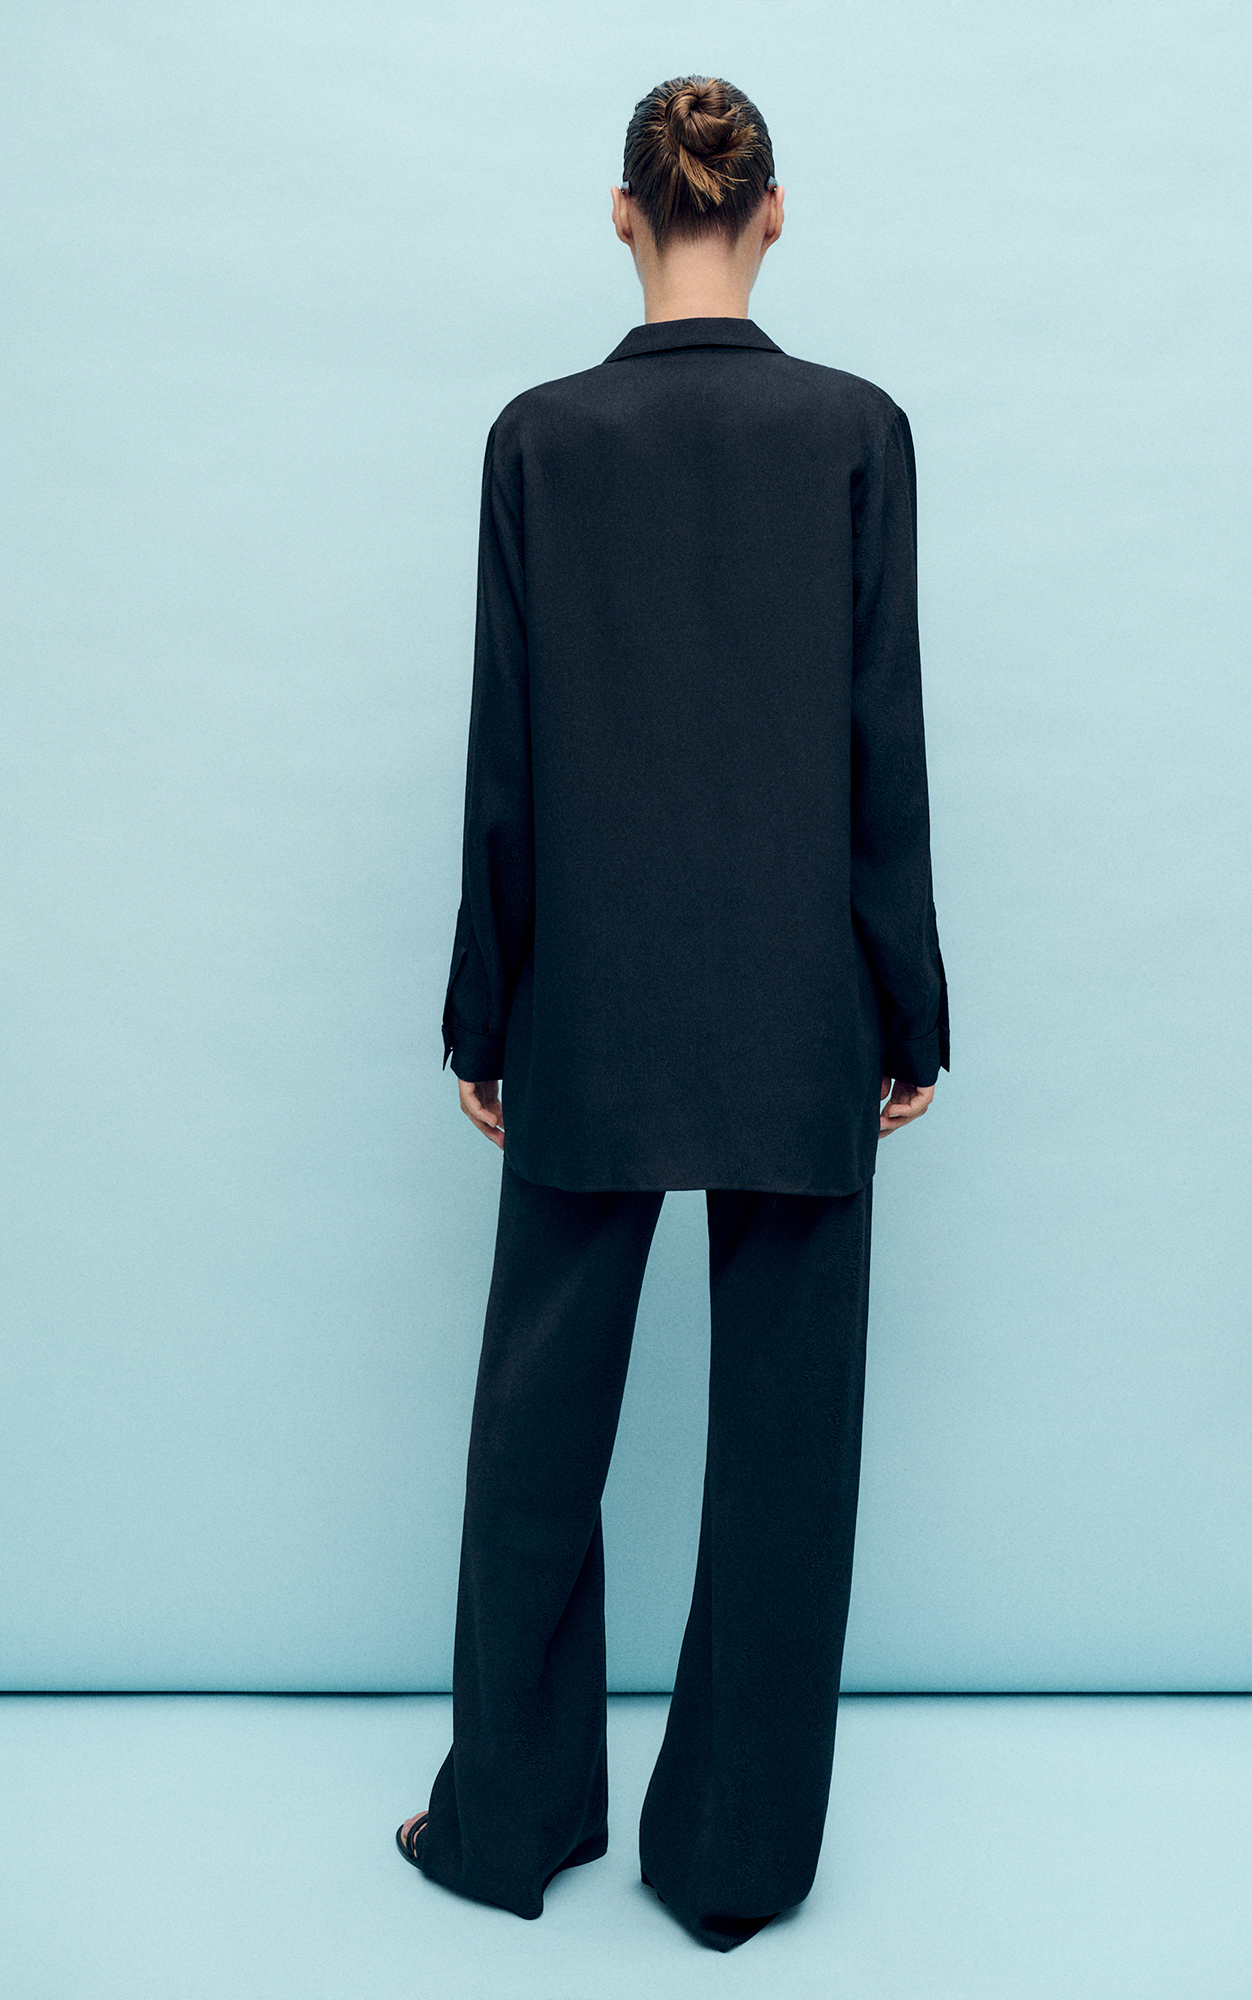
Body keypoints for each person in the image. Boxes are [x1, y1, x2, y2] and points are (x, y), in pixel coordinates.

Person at [395, 73, 949, 1953]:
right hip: (797, 1006)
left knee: (533, 1439)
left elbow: (506, 759)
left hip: (591, 1004)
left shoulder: (538, 442)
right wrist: (907, 1006)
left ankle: (508, 1818)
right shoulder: (856, 431)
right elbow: (881, 746)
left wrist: (484, 1011)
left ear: (621, 215)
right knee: (788, 1451)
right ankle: (728, 1865)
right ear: (770, 213)